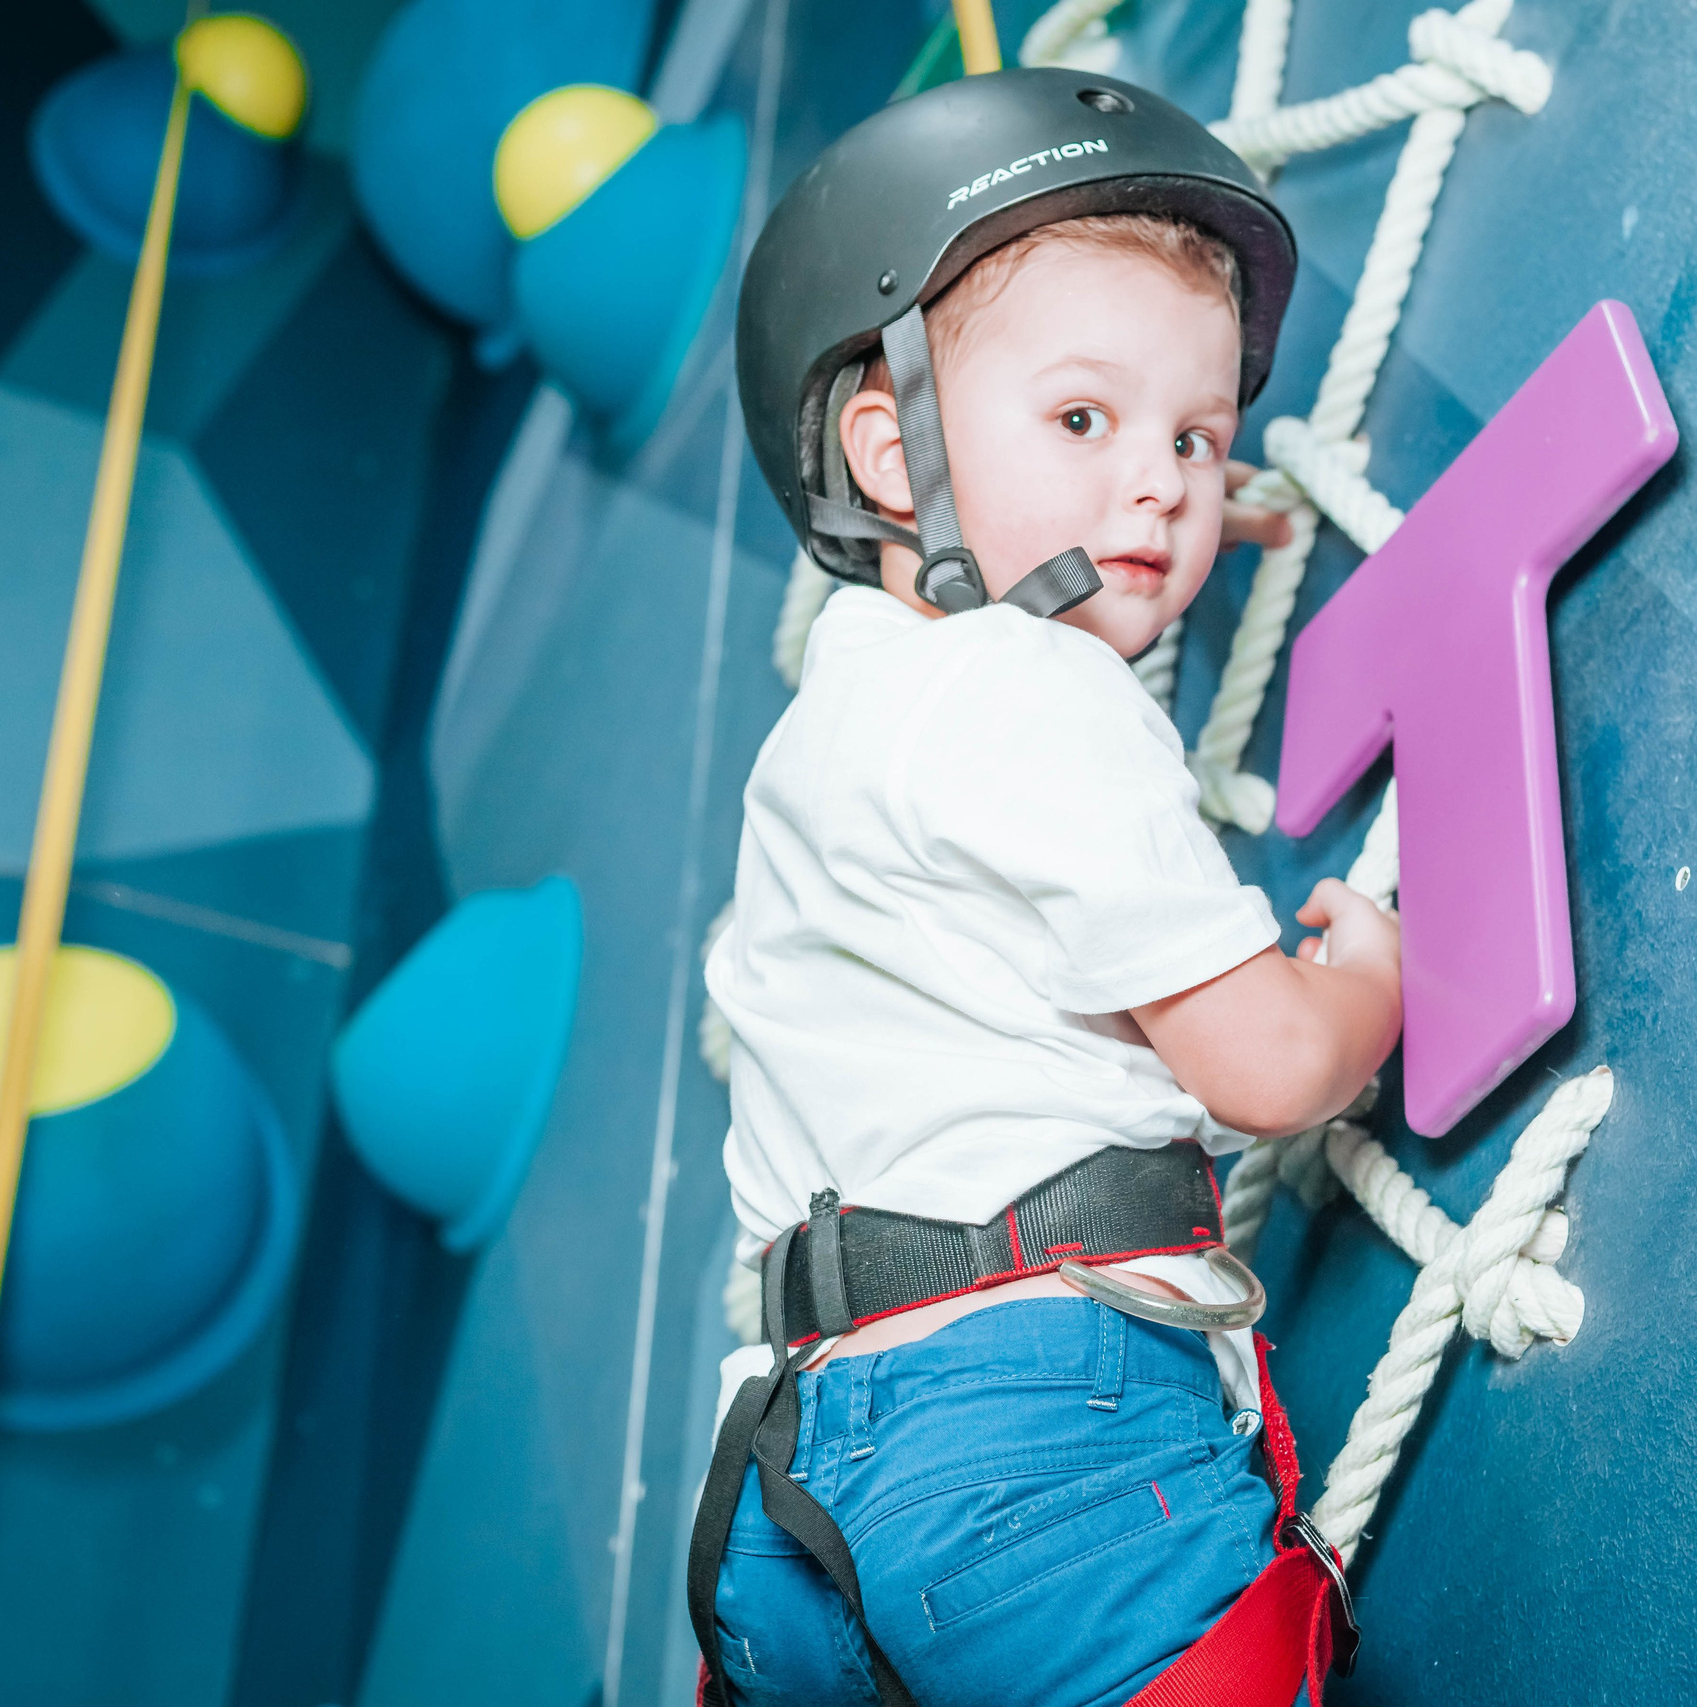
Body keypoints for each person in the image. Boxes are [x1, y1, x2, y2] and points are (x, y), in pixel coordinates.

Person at [695, 68, 1401, 1707]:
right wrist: (1371, 980)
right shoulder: (1034, 686)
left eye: (1196, 439)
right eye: (1084, 421)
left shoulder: (833, 732)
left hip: (789, 1505)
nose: (1159, 483)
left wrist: (1157, 494)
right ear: (892, 452)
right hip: (1036, 1448)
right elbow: (1270, 1066)